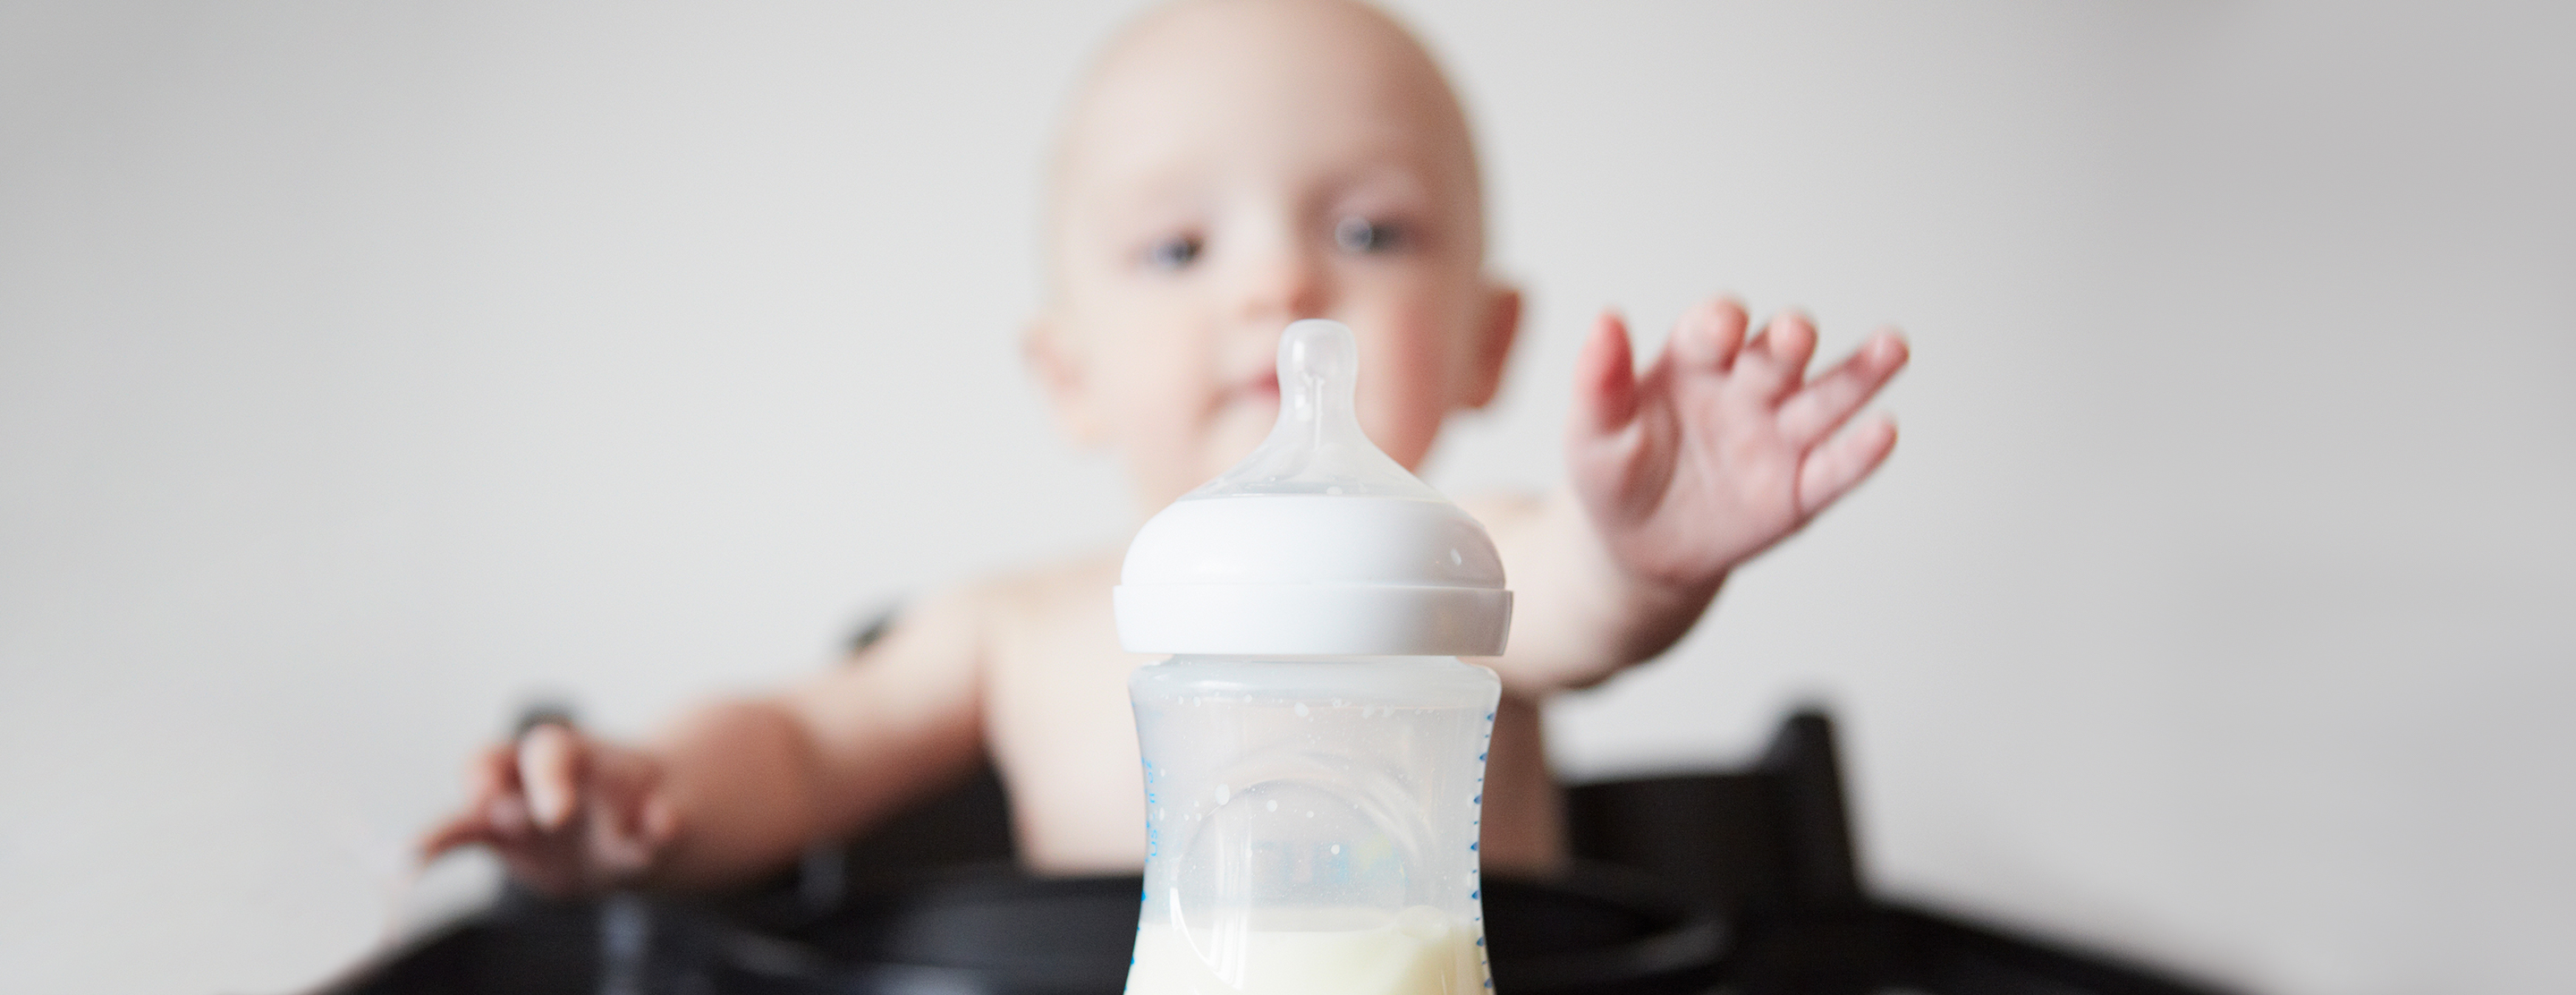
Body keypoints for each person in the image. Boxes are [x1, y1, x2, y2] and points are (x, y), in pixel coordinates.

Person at [421, 0, 1909, 897]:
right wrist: (646, 798)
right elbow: (808, 749)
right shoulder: (1015, 635)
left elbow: (1577, 604)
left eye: (1368, 230)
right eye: (1179, 244)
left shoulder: (1460, 564)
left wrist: (1639, 548)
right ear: (1070, 374)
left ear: (1486, 345)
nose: (1277, 288)